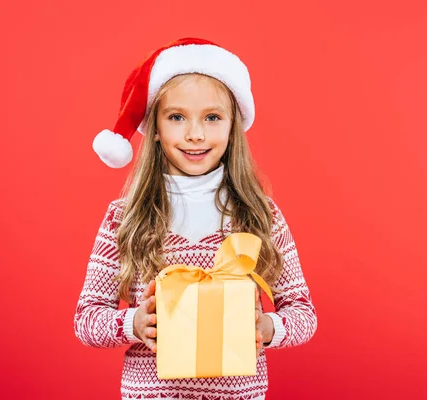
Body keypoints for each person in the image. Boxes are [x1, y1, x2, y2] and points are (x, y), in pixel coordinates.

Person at [74, 37, 317, 400]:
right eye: (176, 117)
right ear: (154, 128)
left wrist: (266, 327)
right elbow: (86, 319)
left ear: (233, 126)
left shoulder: (260, 214)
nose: (195, 134)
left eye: (213, 118)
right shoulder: (123, 218)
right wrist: (135, 323)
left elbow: (303, 313)